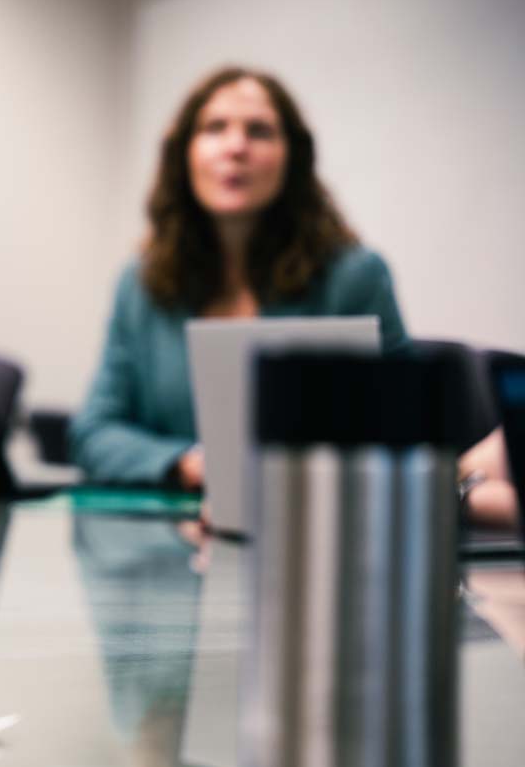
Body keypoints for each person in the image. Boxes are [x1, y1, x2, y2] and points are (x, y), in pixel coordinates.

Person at [71, 67, 409, 488]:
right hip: (167, 542)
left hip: (309, 529)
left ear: (293, 158)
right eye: (214, 128)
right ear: (184, 155)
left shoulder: (353, 277)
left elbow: (407, 431)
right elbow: (93, 433)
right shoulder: (140, 284)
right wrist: (191, 464)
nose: (236, 147)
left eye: (260, 131)